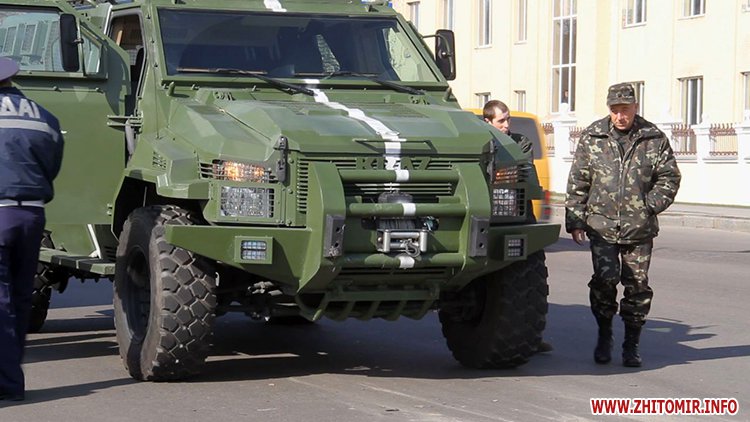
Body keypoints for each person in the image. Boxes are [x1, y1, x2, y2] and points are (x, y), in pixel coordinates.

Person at [565, 83, 681, 367]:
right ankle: (604, 335)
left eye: (625, 109)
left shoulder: (653, 137)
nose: (620, 116)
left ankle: (632, 343)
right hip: (601, 226)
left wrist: (648, 206)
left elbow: (669, 178)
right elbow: (578, 180)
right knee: (604, 281)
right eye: (615, 110)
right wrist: (575, 220)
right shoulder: (593, 136)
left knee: (637, 286)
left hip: (638, 229)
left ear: (635, 107)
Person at [0, 57, 64, 401]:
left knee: (1, 302)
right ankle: (11, 382)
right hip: (32, 214)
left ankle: (6, 382)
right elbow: (51, 166)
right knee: (21, 298)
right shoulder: (43, 117)